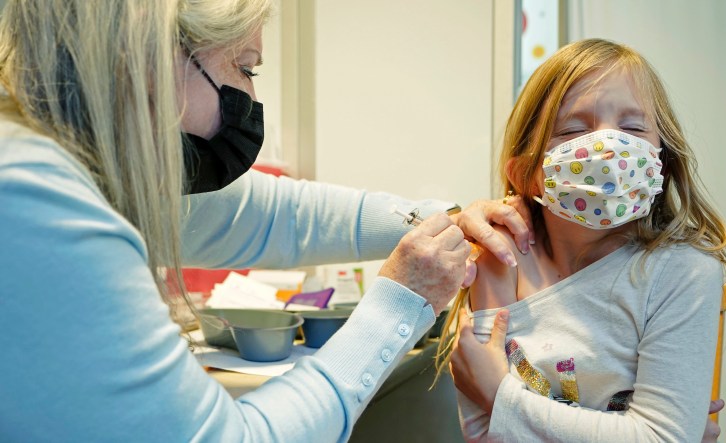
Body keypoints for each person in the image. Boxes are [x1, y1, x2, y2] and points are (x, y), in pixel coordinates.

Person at [0, 1, 531, 441]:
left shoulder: (73, 166)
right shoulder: (34, 200)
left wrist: (441, 219)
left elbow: (274, 215)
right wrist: (397, 304)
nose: (251, 99)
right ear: (150, 55)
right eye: (245, 68)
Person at [436, 38, 726, 442]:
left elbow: (661, 437)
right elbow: (484, 432)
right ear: (526, 174)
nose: (608, 149)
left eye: (633, 127)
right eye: (573, 130)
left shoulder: (683, 271)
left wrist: (499, 394)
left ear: (662, 156)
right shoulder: (501, 257)